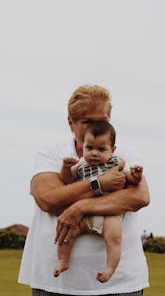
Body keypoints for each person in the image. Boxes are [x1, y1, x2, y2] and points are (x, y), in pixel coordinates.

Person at [18, 84, 150, 296]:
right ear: (71, 123)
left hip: (119, 284)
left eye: (103, 121)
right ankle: (63, 261)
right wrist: (101, 184)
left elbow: (140, 197)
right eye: (87, 121)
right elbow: (49, 199)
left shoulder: (123, 154)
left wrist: (80, 206)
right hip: (54, 285)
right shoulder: (52, 153)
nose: (95, 127)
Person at [54, 120, 143, 282]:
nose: (94, 153)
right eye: (89, 148)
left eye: (101, 149)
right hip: (84, 215)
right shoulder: (81, 164)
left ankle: (110, 268)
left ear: (112, 150)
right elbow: (66, 179)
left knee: (114, 237)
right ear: (83, 147)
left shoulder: (116, 163)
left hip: (108, 212)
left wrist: (136, 175)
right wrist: (66, 167)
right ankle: (63, 260)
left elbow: (131, 179)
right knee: (68, 233)